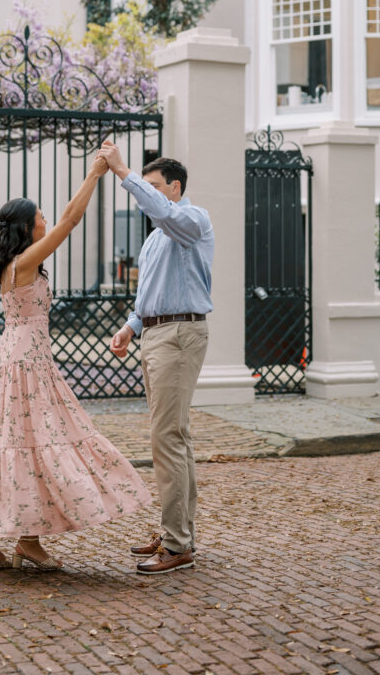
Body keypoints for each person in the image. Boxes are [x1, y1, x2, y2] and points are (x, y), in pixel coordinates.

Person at [0, 155, 151, 572]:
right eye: (39, 216)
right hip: (25, 365)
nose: (45, 219)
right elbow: (71, 222)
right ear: (26, 227)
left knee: (13, 443)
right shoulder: (26, 262)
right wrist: (95, 174)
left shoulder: (12, 263)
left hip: (17, 359)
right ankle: (26, 542)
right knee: (28, 443)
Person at [98, 142, 213, 575]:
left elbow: (166, 213)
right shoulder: (153, 241)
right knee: (171, 438)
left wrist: (123, 172)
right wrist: (131, 327)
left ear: (176, 188)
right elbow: (148, 298)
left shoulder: (192, 219)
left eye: (154, 186)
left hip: (181, 333)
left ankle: (177, 543)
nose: (146, 194)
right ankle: (176, 533)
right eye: (145, 186)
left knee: (167, 438)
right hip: (157, 334)